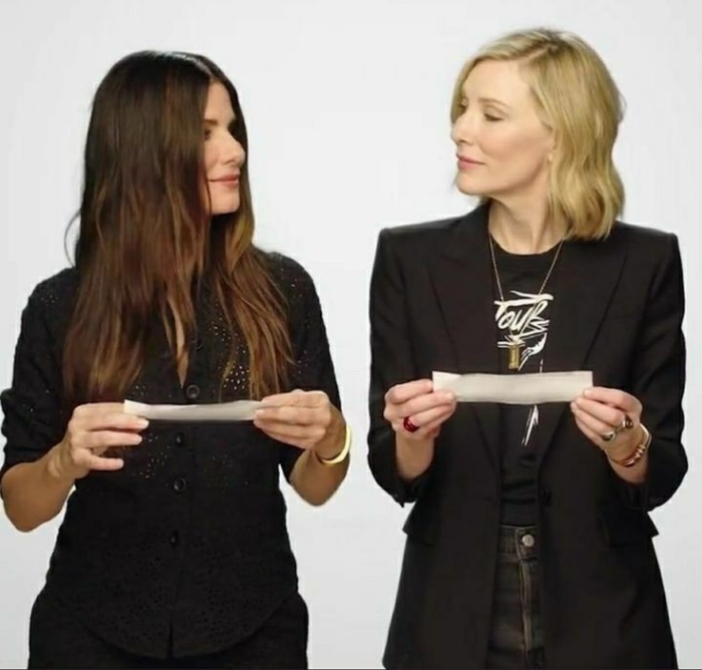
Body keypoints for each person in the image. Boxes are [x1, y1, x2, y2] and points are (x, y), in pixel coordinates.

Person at [1, 50, 350, 669]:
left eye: (233, 129)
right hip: (89, 636)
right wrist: (62, 460)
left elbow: (314, 485)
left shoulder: (283, 290)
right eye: (205, 133)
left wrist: (331, 439)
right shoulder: (60, 306)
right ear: (143, 153)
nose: (235, 151)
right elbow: (22, 509)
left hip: (255, 633)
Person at [368, 27, 686, 669]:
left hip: (605, 613)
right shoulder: (410, 258)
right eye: (462, 108)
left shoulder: (646, 262)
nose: (460, 130)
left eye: (491, 114)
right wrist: (410, 436)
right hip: (451, 608)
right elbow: (392, 467)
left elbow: (661, 469)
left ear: (560, 136)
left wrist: (627, 444)